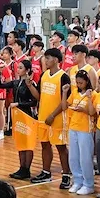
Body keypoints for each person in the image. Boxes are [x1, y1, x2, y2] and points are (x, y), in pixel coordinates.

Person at [33, 48, 71, 187]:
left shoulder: (63, 77)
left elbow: (65, 101)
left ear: (55, 59)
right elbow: (39, 96)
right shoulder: (43, 75)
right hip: (43, 116)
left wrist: (53, 115)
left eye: (48, 58)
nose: (45, 60)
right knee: (44, 145)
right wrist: (30, 85)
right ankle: (46, 172)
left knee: (61, 147)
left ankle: (66, 174)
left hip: (57, 118)